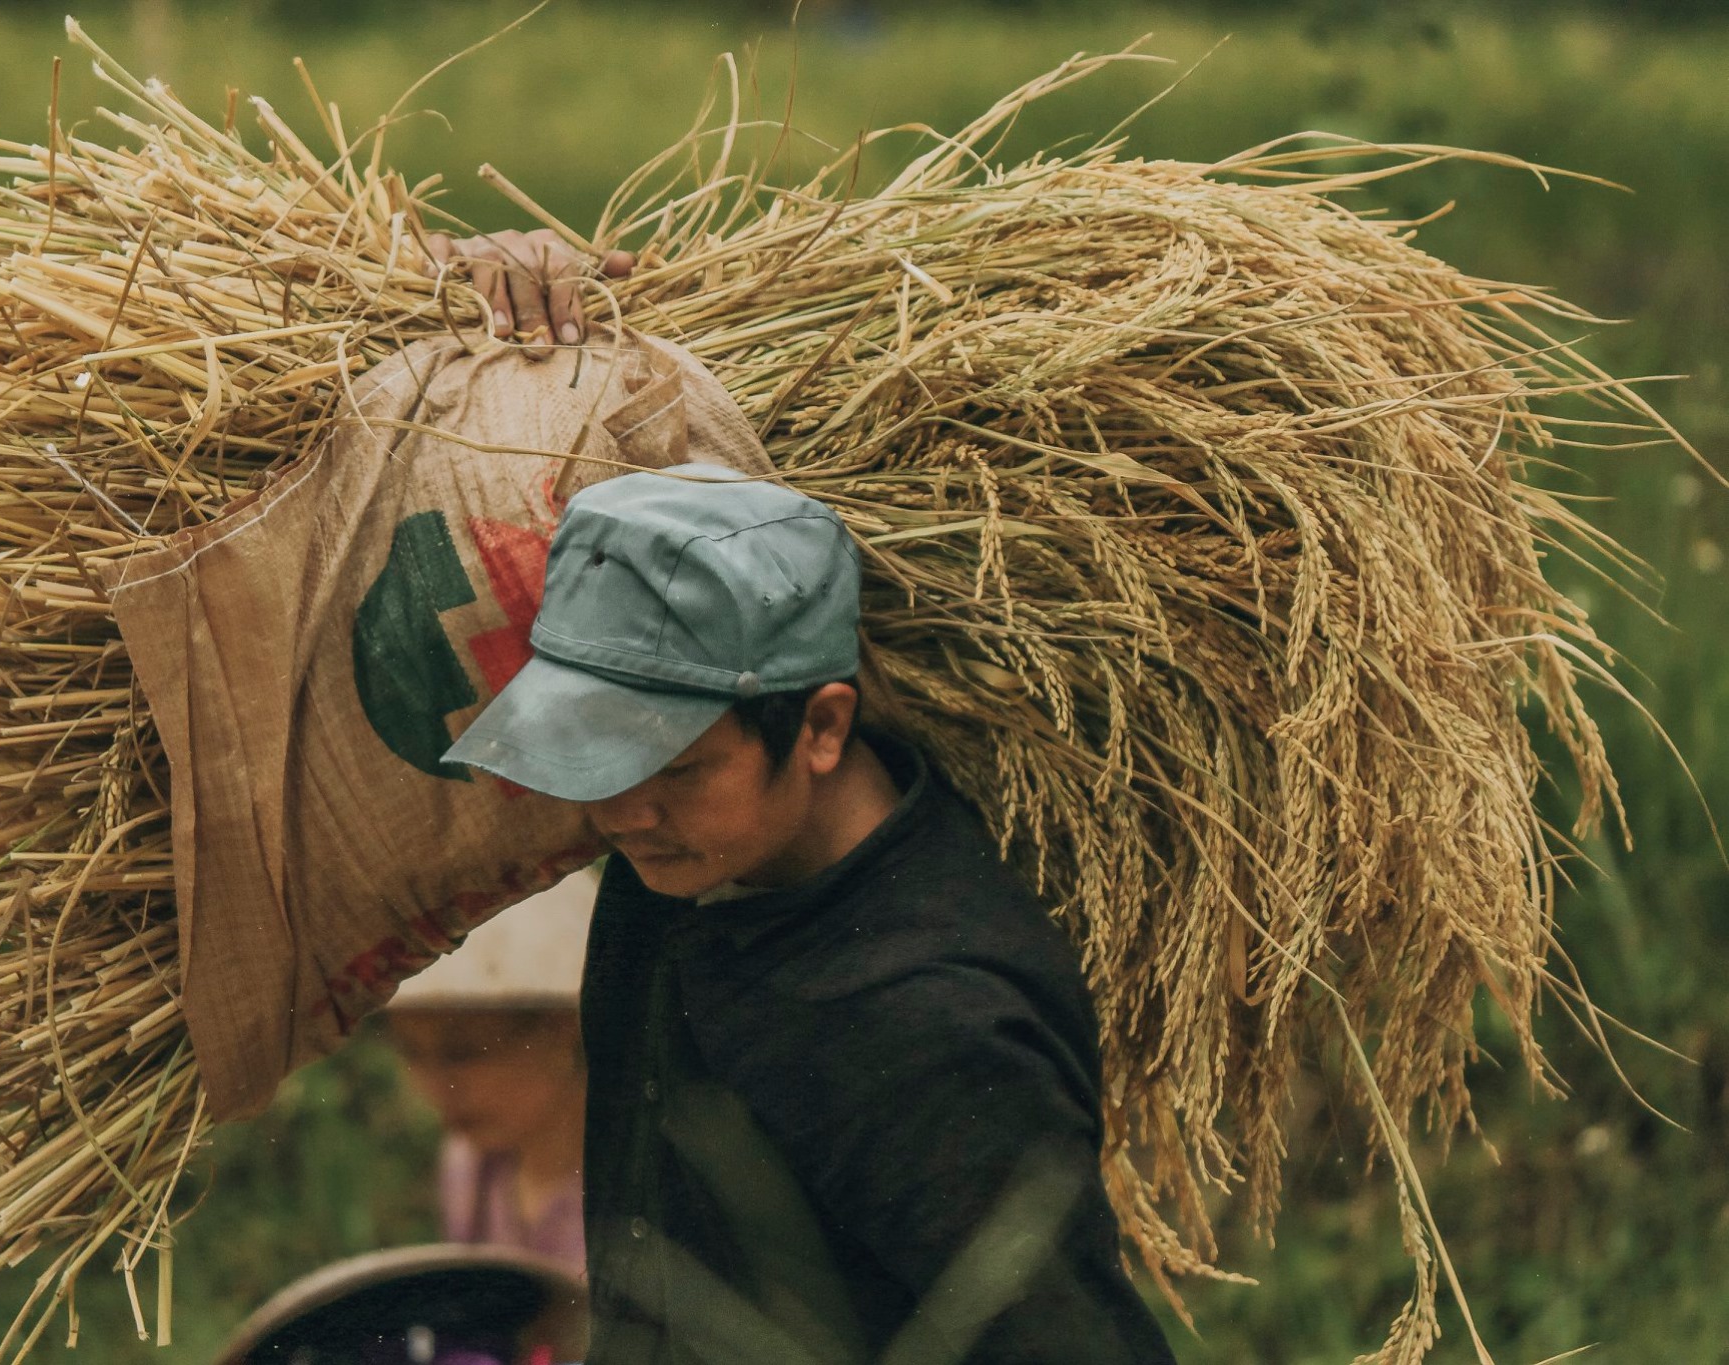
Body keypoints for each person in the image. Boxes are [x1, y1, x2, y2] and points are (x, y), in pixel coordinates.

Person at [428, 453, 1179, 1362]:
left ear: (822, 727)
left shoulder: (925, 1026)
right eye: (597, 757)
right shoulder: (684, 860)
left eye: (675, 766)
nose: (621, 813)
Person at [386, 870, 600, 1277]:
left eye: (464, 1054)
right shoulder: (471, 1170)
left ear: (563, 1028)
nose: (437, 1087)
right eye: (413, 1054)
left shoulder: (640, 1181)